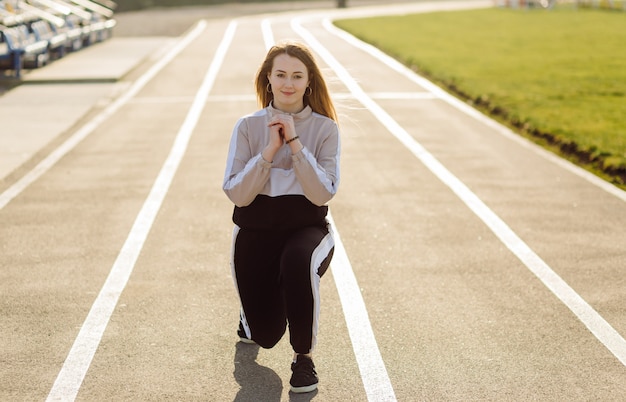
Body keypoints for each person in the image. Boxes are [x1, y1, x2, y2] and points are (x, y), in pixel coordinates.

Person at [222, 41, 340, 393]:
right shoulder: (247, 126)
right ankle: (251, 321)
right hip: (256, 230)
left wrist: (295, 144)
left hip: (307, 227)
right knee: (265, 334)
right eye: (281, 75)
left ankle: (303, 359)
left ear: (308, 83)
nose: (289, 83)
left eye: (297, 76)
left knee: (297, 263)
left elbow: (322, 193)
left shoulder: (325, 129)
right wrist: (269, 151)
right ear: (269, 80)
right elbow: (238, 194)